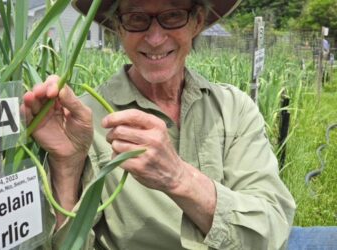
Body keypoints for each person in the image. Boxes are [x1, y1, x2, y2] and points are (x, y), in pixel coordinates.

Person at [23, 0, 297, 249]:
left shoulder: (233, 108)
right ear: (119, 28)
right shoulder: (81, 119)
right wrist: (67, 166)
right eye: (136, 18)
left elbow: (271, 230)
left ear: (197, 22)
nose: (154, 38)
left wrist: (178, 177)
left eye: (174, 15)